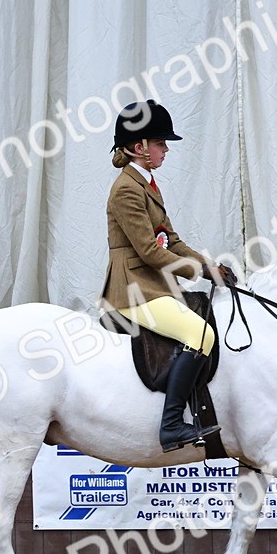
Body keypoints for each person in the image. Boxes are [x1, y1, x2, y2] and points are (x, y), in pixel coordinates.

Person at [99, 100, 237, 452]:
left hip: (155, 285)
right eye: (160, 143)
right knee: (200, 333)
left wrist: (209, 267)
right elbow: (149, 251)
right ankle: (172, 425)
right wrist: (200, 273)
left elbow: (171, 240)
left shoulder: (148, 184)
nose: (166, 150)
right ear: (138, 146)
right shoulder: (126, 189)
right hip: (133, 290)